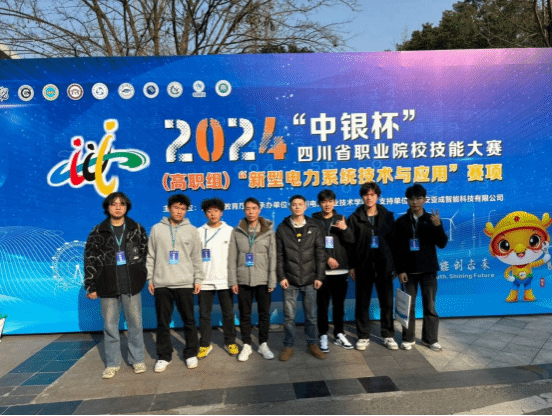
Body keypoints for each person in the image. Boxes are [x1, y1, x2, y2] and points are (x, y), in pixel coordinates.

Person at [84, 192, 148, 379]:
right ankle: (112, 363)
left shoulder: (136, 228)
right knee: (110, 326)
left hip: (131, 286)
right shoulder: (98, 231)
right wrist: (91, 284)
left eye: (122, 204)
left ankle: (137, 360)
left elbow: (145, 254)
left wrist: (141, 275)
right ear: (107, 207)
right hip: (107, 286)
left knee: (136, 325)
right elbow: (90, 258)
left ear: (127, 207)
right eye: (113, 204)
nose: (118, 207)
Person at [147, 194, 204, 372]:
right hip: (162, 283)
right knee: (162, 322)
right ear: (169, 208)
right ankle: (164, 356)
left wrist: (198, 279)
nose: (179, 211)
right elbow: (151, 255)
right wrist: (150, 279)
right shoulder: (157, 229)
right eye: (176, 208)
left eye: (183, 209)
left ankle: (191, 353)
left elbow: (197, 257)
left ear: (186, 211)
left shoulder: (192, 230)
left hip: (185, 283)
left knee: (189, 321)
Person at [393, 184, 448, 352]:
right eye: (411, 199)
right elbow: (397, 249)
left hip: (428, 271)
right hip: (408, 272)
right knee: (408, 306)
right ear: (407, 201)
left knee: (430, 307)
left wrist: (438, 226)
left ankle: (430, 339)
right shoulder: (401, 222)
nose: (415, 202)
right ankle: (408, 338)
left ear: (425, 200)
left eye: (418, 199)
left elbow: (442, 243)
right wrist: (400, 270)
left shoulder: (432, 219)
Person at [348, 182, 398, 351]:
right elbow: (350, 245)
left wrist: (395, 266)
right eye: (366, 194)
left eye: (372, 194)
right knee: (362, 304)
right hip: (363, 266)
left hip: (384, 266)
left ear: (377, 196)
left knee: (387, 303)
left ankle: (388, 335)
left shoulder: (387, 216)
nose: (369, 198)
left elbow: (394, 243)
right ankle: (363, 336)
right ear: (362, 197)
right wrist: (351, 266)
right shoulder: (354, 218)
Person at [276, 195, 326, 361]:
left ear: (306, 207)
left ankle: (312, 344)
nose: (297, 207)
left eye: (300, 204)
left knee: (311, 316)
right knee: (289, 317)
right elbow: (279, 255)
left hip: (310, 279)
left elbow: (320, 253)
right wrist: (281, 276)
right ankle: (288, 346)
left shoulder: (314, 227)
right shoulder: (282, 228)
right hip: (289, 280)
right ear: (290, 207)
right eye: (294, 204)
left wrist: (319, 276)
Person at [228, 197, 277, 362]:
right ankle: (247, 344)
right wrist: (233, 280)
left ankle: (263, 344)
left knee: (264, 314)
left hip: (263, 279)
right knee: (245, 314)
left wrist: (272, 280)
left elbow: (273, 257)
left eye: (254, 208)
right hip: (243, 279)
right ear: (244, 211)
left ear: (259, 210)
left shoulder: (268, 232)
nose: (251, 212)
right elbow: (232, 258)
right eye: (247, 209)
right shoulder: (237, 232)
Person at [312, 190, 355, 353]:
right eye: (324, 201)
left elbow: (351, 241)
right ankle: (323, 334)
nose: (327, 204)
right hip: (322, 272)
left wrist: (345, 229)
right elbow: (312, 245)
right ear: (319, 203)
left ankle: (339, 333)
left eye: (330, 201)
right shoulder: (313, 221)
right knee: (322, 306)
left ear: (334, 202)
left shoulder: (341, 219)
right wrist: (327, 259)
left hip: (340, 270)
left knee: (339, 305)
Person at [197, 198, 238, 360]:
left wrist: (234, 280)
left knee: (228, 313)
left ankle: (230, 341)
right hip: (204, 281)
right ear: (205, 213)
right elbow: (195, 257)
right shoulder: (199, 231)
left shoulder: (230, 231)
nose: (212, 214)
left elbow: (234, 257)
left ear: (221, 212)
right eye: (209, 211)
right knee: (204, 315)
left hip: (225, 280)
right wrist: (197, 279)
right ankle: (205, 344)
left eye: (216, 211)